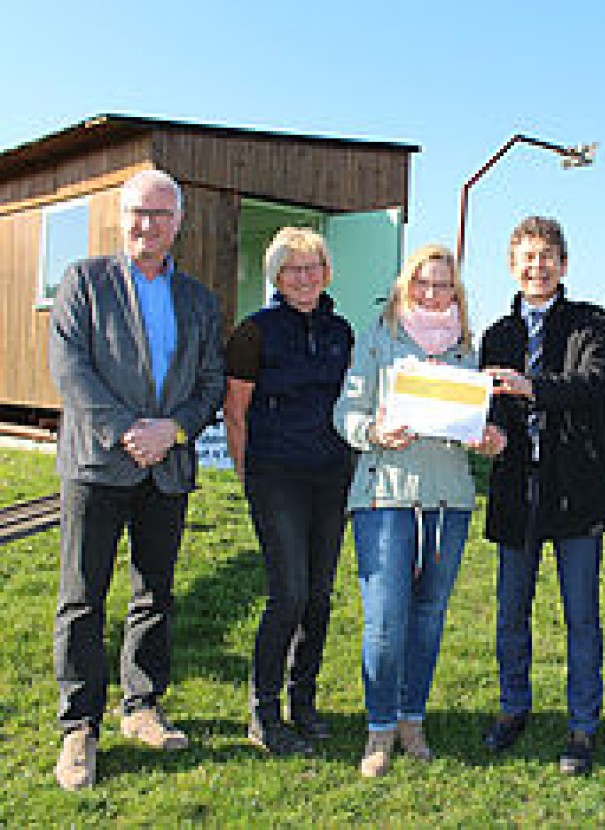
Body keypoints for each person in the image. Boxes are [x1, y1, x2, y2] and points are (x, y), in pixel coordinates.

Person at [48, 169, 225, 791]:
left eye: (160, 214)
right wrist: (128, 431)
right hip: (98, 465)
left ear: (179, 223)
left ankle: (142, 705)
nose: (147, 225)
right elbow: (70, 368)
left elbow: (211, 382)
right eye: (137, 213)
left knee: (155, 594)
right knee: (82, 597)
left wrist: (173, 430)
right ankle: (79, 726)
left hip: (166, 469)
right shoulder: (84, 282)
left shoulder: (200, 300)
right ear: (120, 217)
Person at [333, 243, 504, 778]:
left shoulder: (468, 349)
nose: (432, 293)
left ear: (456, 292)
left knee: (428, 617)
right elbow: (346, 411)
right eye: (422, 282)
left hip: (448, 500)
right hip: (385, 496)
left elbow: (477, 422)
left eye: (443, 284)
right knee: (385, 620)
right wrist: (373, 431)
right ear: (406, 285)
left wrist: (488, 439)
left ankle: (412, 719)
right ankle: (379, 728)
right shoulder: (378, 338)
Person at [480, 216, 605, 776]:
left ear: (563, 264)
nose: (537, 267)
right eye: (527, 257)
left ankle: (582, 724)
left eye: (546, 256)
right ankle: (513, 707)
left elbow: (595, 384)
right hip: (517, 488)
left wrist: (532, 387)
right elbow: (490, 406)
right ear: (512, 265)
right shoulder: (496, 334)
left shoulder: (591, 322)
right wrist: (489, 432)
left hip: (575, 490)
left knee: (581, 616)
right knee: (511, 611)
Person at [223, 227, 355, 756]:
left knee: (319, 597)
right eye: (292, 269)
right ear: (276, 277)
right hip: (276, 475)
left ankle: (304, 702)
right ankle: (264, 711)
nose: (303, 277)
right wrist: (248, 476)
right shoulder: (254, 332)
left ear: (326, 272)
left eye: (312, 267)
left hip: (332, 475)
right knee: (289, 594)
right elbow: (236, 412)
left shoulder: (341, 332)